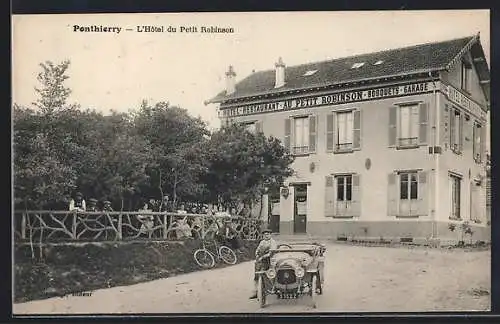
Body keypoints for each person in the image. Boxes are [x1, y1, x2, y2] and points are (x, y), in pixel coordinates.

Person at [249, 227, 277, 299]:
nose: (266, 236)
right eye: (265, 235)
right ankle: (255, 292)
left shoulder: (273, 242)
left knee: (270, 275)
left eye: (268, 234)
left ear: (270, 235)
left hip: (269, 261)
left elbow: (271, 253)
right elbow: (258, 249)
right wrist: (257, 254)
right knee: (256, 276)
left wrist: (263, 257)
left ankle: (272, 288)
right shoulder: (262, 242)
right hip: (260, 261)